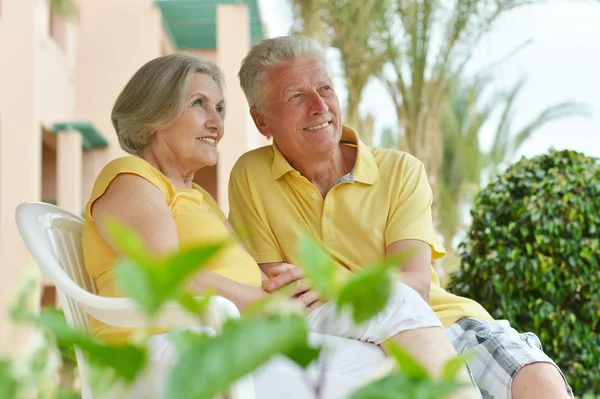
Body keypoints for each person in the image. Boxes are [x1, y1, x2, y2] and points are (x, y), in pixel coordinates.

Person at [81, 53, 476, 398]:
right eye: (198, 104)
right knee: (388, 338)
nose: (215, 121)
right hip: (172, 348)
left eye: (220, 108)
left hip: (238, 333)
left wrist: (291, 288)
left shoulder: (199, 199)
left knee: (391, 358)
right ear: (154, 115)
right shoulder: (130, 177)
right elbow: (167, 274)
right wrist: (262, 305)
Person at [228, 35, 574, 399]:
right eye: (296, 96)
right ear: (261, 121)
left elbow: (415, 287)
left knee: (538, 380)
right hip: (341, 336)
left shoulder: (400, 170)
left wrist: (329, 283)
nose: (319, 106)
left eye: (325, 88)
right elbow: (282, 293)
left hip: (442, 322)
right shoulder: (251, 175)